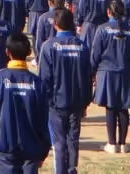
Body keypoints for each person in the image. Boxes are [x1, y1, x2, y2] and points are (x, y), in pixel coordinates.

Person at [0, 33, 50, 173]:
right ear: (28, 53)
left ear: (7, 52)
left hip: (6, 148)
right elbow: (43, 121)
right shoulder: (38, 83)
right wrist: (44, 149)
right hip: (31, 150)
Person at [38, 9, 91, 174]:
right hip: (76, 101)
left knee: (59, 142)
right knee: (73, 139)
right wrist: (85, 102)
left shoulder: (49, 46)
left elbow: (44, 79)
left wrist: (44, 103)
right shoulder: (82, 46)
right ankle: (71, 169)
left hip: (56, 103)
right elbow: (87, 76)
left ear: (55, 25)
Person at [91, 0, 130, 154]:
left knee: (111, 108)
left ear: (108, 12)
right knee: (123, 108)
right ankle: (123, 143)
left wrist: (91, 72)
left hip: (107, 73)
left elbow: (95, 54)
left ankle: (111, 143)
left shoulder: (103, 29)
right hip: (126, 72)